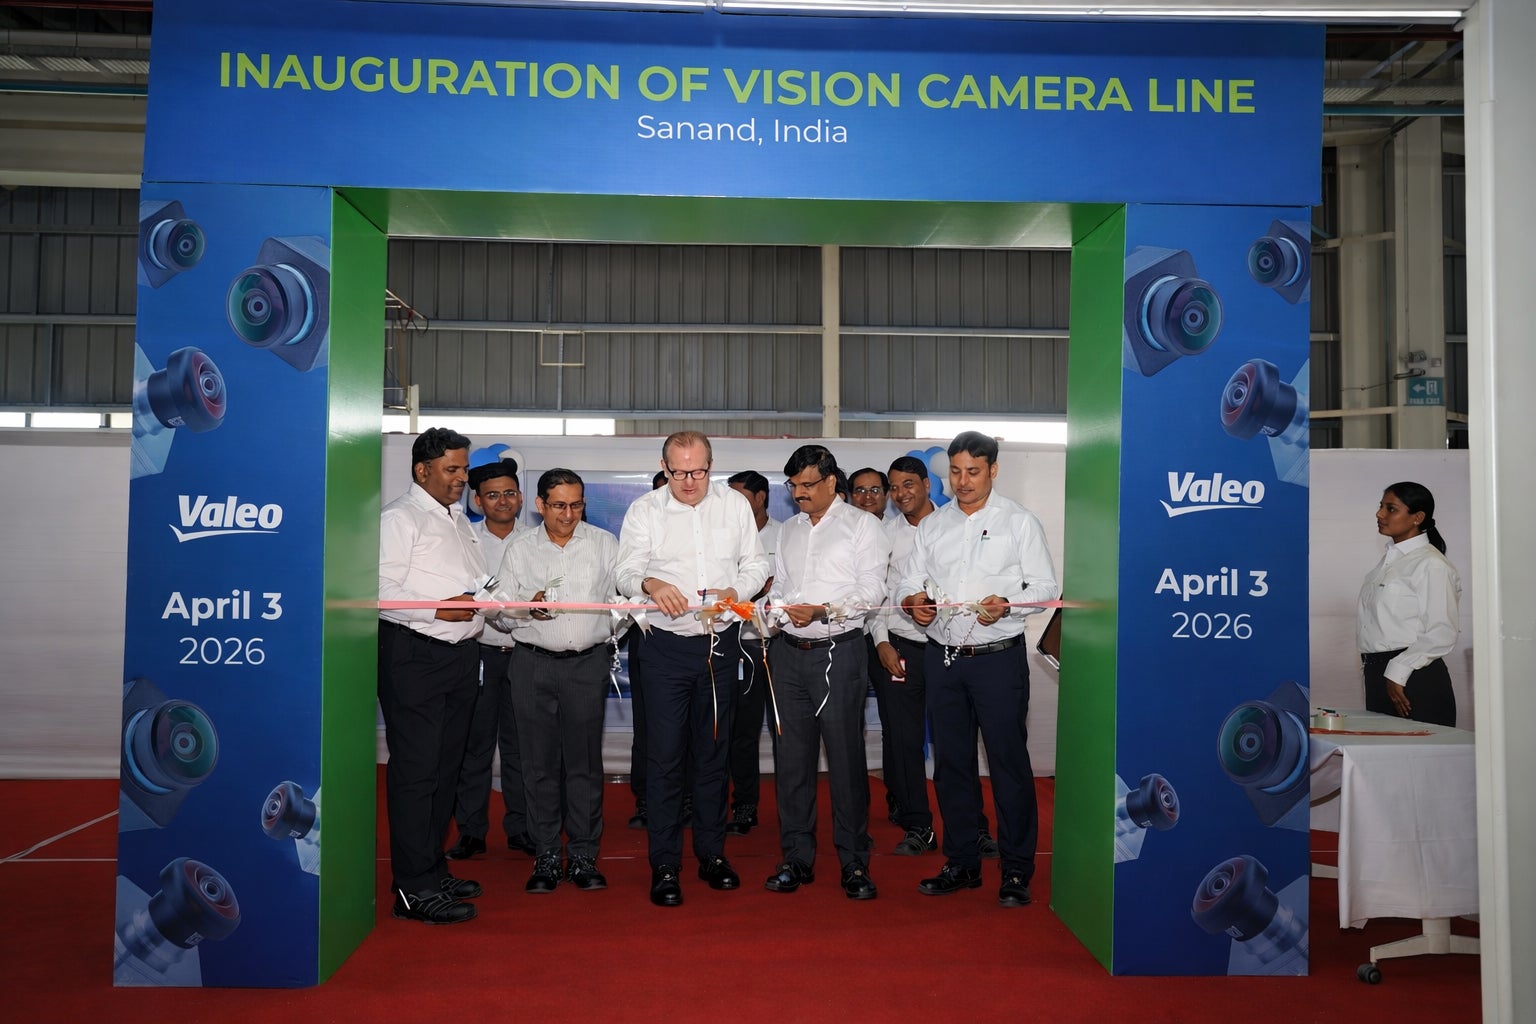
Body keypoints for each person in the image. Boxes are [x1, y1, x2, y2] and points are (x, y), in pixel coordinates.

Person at [900, 431, 1059, 908]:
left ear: (993, 470)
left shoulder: (1019, 522)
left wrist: (1007, 603)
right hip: (943, 659)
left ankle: (1016, 868)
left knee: (1008, 764)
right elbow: (908, 583)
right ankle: (962, 862)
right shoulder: (933, 525)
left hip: (998, 661)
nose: (963, 481)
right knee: (951, 766)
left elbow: (1045, 587)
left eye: (973, 471)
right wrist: (914, 602)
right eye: (955, 471)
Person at [617, 431, 769, 907]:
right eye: (679, 472)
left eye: (698, 471)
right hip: (663, 649)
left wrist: (737, 591)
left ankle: (711, 854)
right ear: (663, 467)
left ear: (711, 466)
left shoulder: (734, 506)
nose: (688, 481)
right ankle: (664, 864)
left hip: (720, 646)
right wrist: (649, 582)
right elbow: (624, 572)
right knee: (664, 759)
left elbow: (757, 564)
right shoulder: (645, 510)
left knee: (713, 754)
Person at [764, 445, 889, 900]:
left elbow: (872, 591)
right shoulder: (789, 530)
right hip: (788, 654)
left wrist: (823, 610)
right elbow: (781, 586)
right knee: (791, 761)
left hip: (840, 651)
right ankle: (796, 858)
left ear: (832, 481)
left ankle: (854, 862)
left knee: (845, 760)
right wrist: (772, 611)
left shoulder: (862, 526)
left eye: (807, 484)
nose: (799, 494)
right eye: (793, 486)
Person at [377, 427, 486, 924]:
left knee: (445, 771)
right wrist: (438, 609)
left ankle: (431, 869)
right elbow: (378, 590)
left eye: (464, 468)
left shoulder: (458, 520)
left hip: (460, 659)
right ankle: (412, 889)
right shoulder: (399, 519)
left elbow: (473, 590)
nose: (462, 478)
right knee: (417, 774)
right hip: (415, 656)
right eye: (452, 469)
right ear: (422, 470)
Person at [497, 469, 622, 893]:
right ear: (540, 505)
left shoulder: (604, 544)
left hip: (586, 666)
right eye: (558, 505)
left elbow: (623, 602)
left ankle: (584, 854)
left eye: (576, 505)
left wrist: (605, 635)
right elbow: (499, 611)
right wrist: (524, 608)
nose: (568, 514)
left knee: (585, 764)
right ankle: (547, 854)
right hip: (532, 665)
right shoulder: (519, 548)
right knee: (538, 765)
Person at [446, 458, 535, 862]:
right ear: (478, 502)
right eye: (493, 495)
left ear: (521, 498)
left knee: (522, 748)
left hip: (526, 655)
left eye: (510, 493)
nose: (503, 501)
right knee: (475, 746)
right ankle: (471, 831)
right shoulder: (464, 539)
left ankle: (522, 827)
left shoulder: (536, 541)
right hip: (479, 652)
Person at [869, 455, 939, 855]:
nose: (900, 494)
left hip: (947, 651)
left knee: (954, 742)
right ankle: (918, 826)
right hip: (900, 648)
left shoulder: (952, 527)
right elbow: (877, 593)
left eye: (908, 484)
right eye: (893, 487)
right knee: (904, 741)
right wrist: (881, 641)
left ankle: (972, 827)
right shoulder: (884, 534)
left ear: (927, 485)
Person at [1357, 481, 1462, 727]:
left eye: (1391, 508)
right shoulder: (1389, 561)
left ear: (1418, 517)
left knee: (1420, 751)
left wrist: (1397, 672)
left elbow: (1441, 631)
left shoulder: (1431, 564)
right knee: (1383, 750)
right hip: (1380, 674)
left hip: (1412, 677)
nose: (1379, 514)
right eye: (1381, 506)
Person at [724, 470, 781, 837]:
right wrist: (755, 592)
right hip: (740, 644)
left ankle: (791, 809)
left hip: (780, 646)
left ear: (760, 498)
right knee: (741, 731)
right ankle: (744, 805)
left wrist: (767, 594)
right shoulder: (724, 536)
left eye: (740, 496)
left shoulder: (786, 534)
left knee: (785, 733)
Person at [625, 468, 671, 831]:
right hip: (646, 635)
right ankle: (645, 799)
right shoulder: (641, 522)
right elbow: (625, 577)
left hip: (693, 636)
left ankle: (685, 798)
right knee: (647, 724)